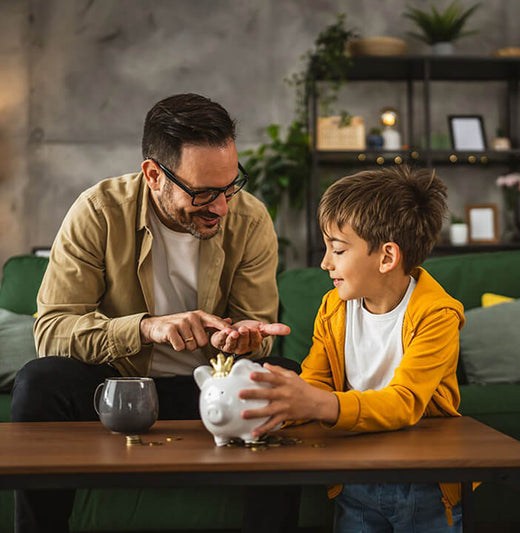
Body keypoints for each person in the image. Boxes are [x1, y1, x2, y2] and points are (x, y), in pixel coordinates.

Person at [11, 93, 297, 533]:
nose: (220, 206)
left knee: (282, 375)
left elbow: (254, 327)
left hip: (208, 392)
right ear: (153, 175)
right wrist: (147, 329)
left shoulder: (251, 218)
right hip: (117, 389)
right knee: (40, 380)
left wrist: (243, 339)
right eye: (203, 192)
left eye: (229, 185)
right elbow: (51, 330)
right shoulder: (99, 211)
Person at [240, 166, 466, 532]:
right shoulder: (333, 308)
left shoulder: (437, 315)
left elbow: (405, 401)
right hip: (354, 473)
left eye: (338, 249)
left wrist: (319, 404)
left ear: (387, 257)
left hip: (423, 478)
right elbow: (316, 382)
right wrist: (273, 407)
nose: (325, 262)